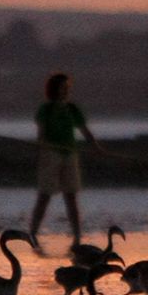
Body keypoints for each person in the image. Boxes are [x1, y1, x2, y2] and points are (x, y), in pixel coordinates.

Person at [28, 71, 100, 249]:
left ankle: (77, 237)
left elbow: (84, 130)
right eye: (63, 87)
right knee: (44, 195)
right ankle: (33, 233)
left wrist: (96, 147)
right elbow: (42, 133)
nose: (66, 90)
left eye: (67, 88)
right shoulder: (46, 109)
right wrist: (40, 150)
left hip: (70, 153)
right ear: (54, 89)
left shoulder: (72, 109)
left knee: (71, 196)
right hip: (51, 153)